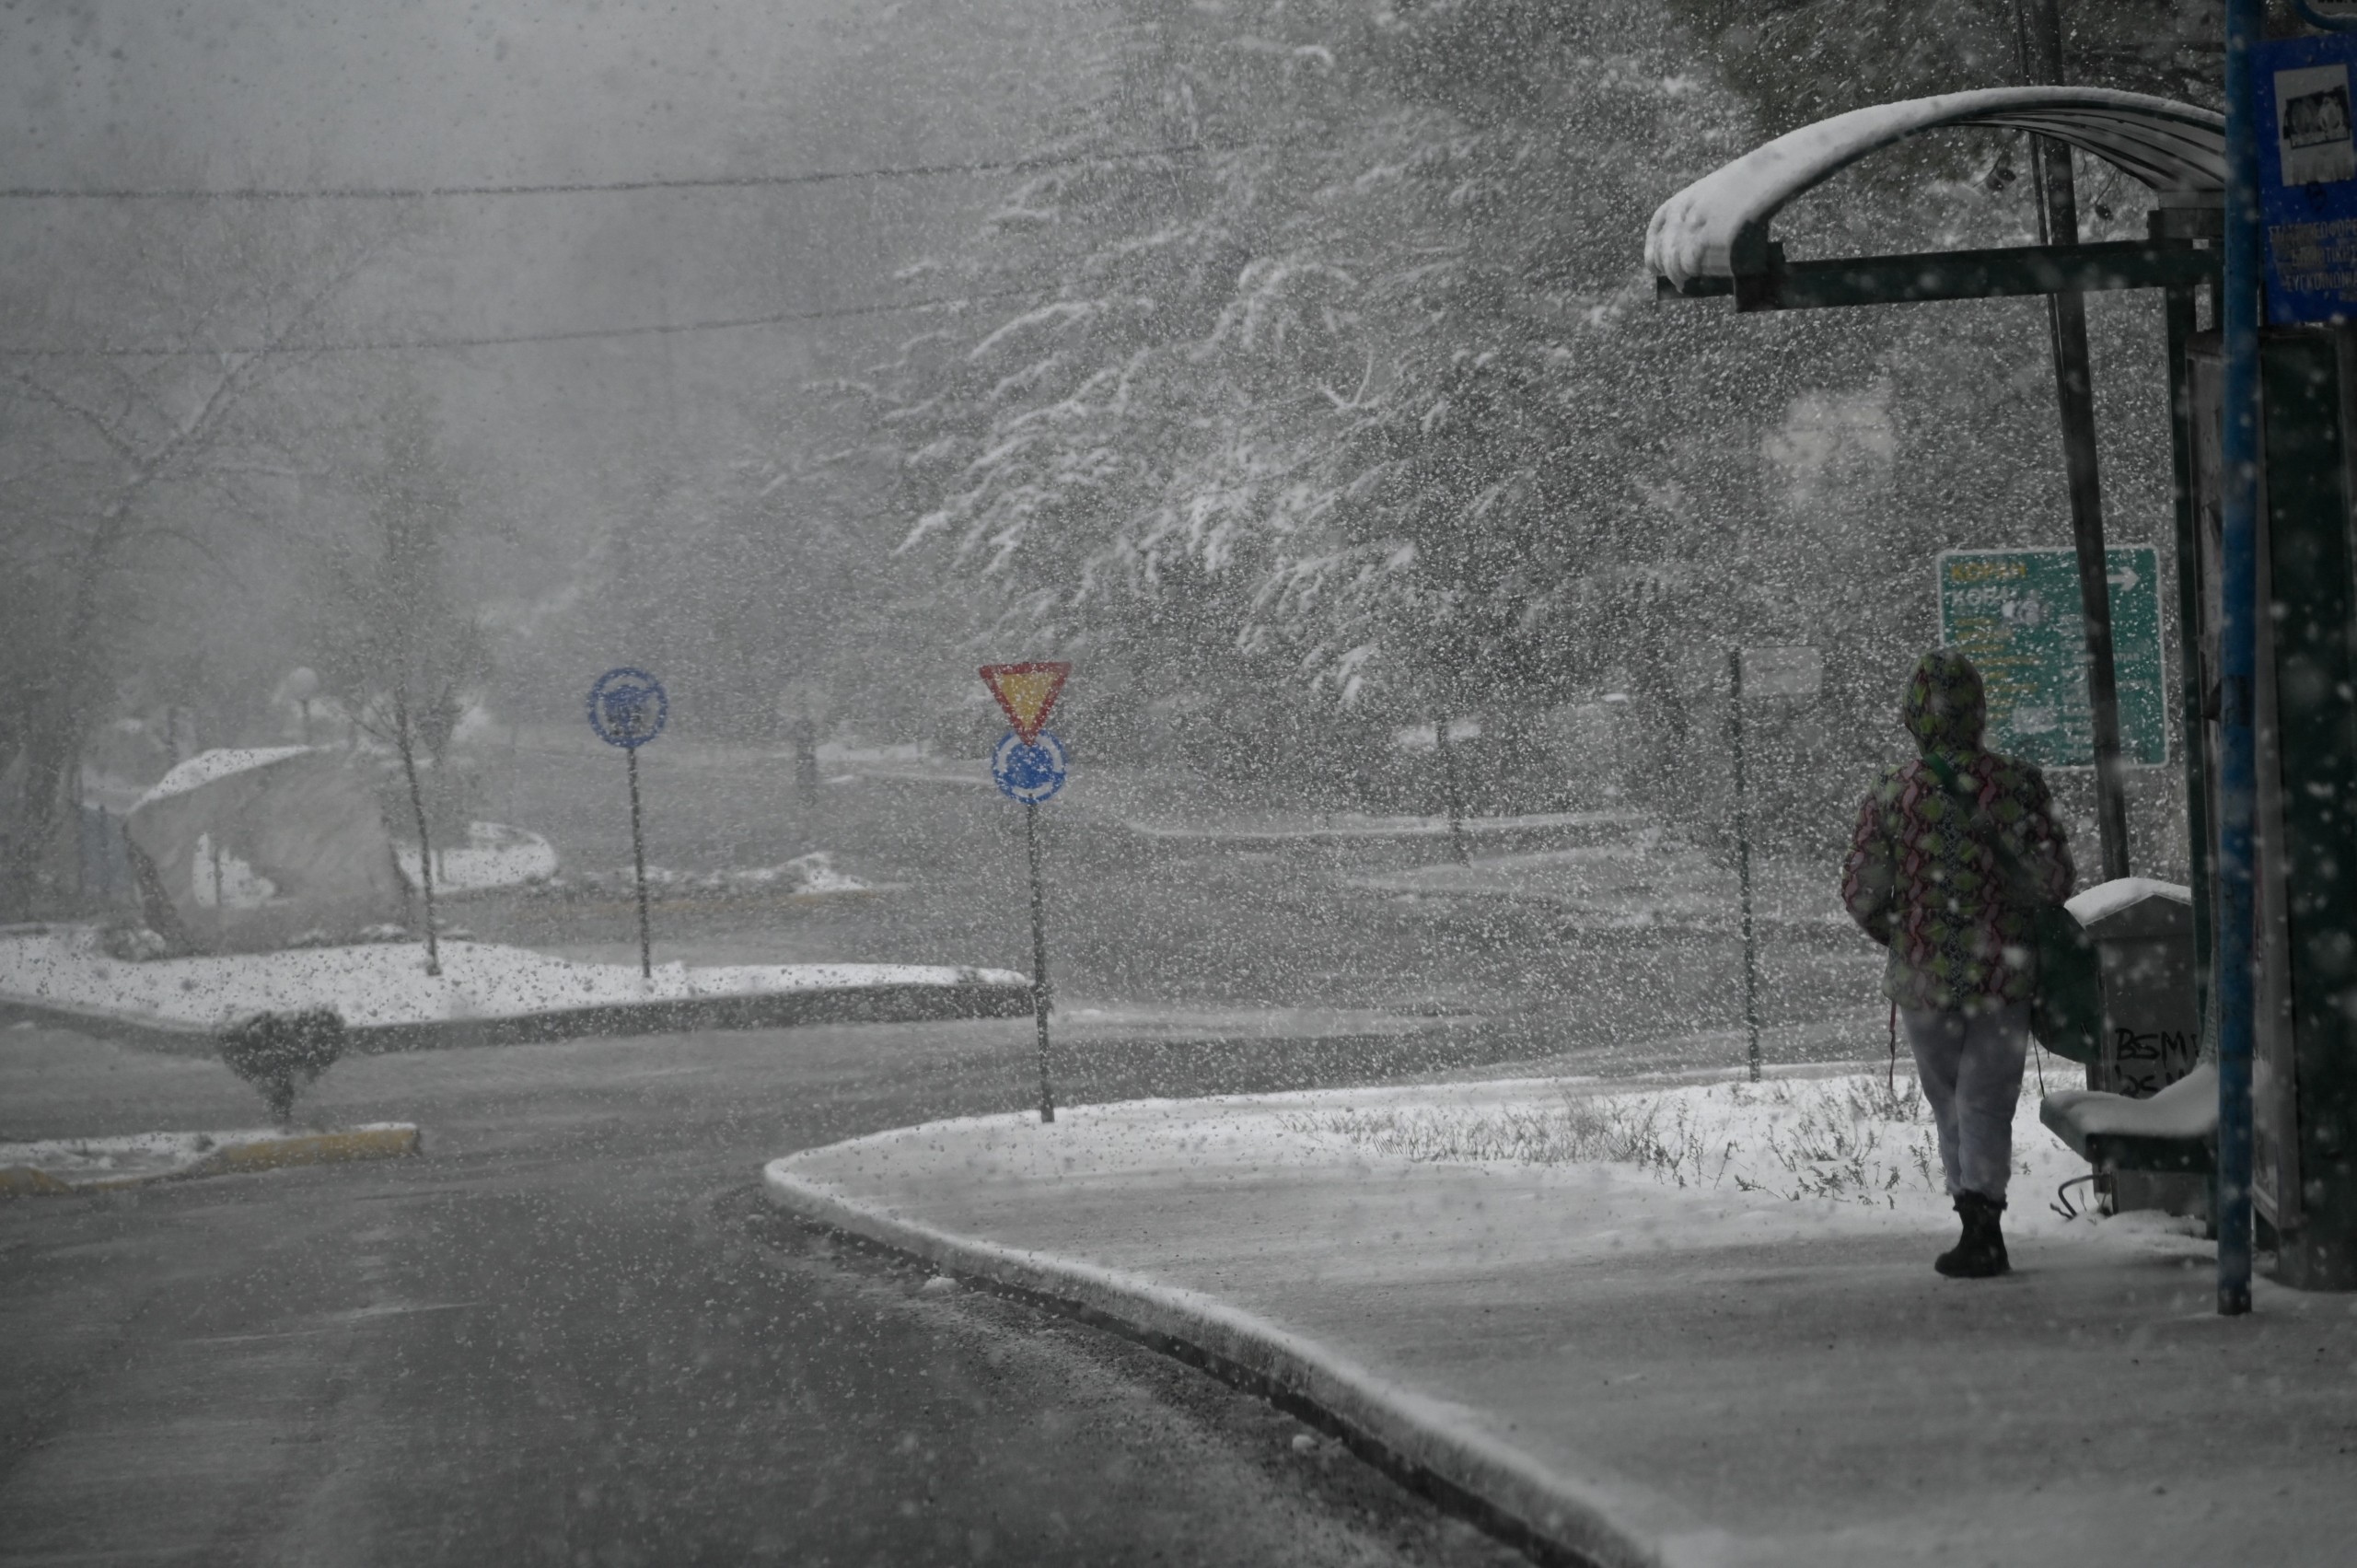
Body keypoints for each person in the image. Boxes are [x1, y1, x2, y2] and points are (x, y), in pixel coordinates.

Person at [1840, 649, 2073, 1278]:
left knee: (1950, 1100)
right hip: (2004, 972)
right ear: (1979, 711)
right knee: (1989, 1097)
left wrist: (1903, 930)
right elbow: (2055, 878)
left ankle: (1973, 1220)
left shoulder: (1893, 793)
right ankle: (1985, 1220)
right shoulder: (2020, 784)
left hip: (1925, 977)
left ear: (1914, 716)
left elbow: (1861, 889)